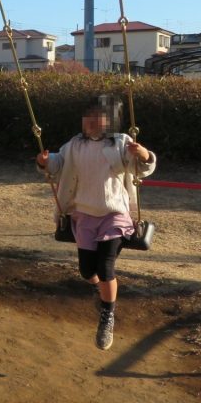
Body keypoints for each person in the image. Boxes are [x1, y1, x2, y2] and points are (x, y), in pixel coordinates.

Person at [35, 94, 156, 351]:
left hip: (115, 215)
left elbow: (141, 167)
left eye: (97, 116)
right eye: (87, 116)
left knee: (105, 267)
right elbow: (57, 164)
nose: (90, 121)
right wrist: (44, 161)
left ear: (109, 121)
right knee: (87, 271)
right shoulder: (74, 145)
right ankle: (101, 293)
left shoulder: (120, 143)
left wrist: (144, 154)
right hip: (84, 216)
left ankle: (107, 315)